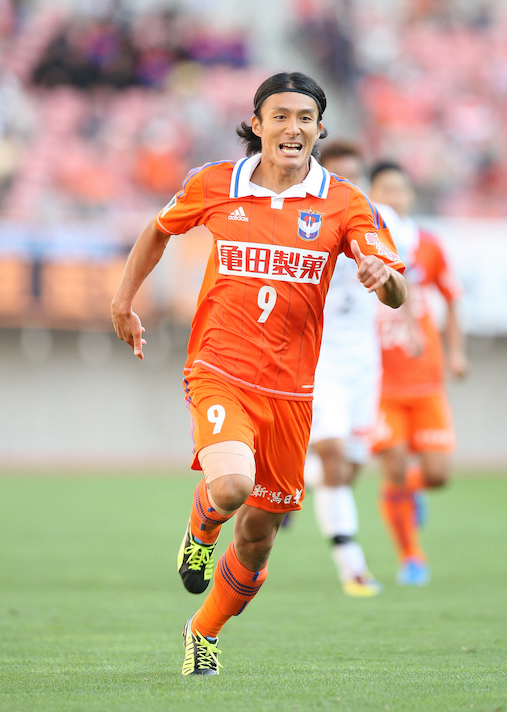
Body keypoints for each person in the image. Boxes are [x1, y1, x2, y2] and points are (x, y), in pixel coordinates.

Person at [111, 72, 407, 676]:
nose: (292, 128)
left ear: (319, 129)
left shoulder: (345, 201)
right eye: (280, 116)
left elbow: (396, 287)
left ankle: (202, 631)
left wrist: (384, 279)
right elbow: (157, 230)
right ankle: (200, 533)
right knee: (231, 486)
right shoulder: (216, 182)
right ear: (257, 123)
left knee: (259, 537)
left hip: (292, 391)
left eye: (305, 118)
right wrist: (123, 301)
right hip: (220, 367)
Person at [368, 161, 467, 586]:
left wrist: (457, 353)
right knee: (392, 465)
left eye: (400, 189)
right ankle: (411, 556)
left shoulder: (429, 245)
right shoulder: (361, 243)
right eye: (384, 189)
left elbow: (453, 298)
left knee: (438, 475)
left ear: (410, 195)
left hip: (426, 380)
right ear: (371, 194)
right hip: (380, 384)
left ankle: (411, 489)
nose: (393, 197)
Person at [306, 141, 384, 597]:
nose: (347, 184)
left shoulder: (379, 223)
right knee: (334, 454)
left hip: (365, 363)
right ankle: (351, 565)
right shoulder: (306, 222)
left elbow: (403, 279)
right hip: (321, 359)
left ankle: (296, 482)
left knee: (352, 466)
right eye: (339, 176)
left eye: (355, 175)